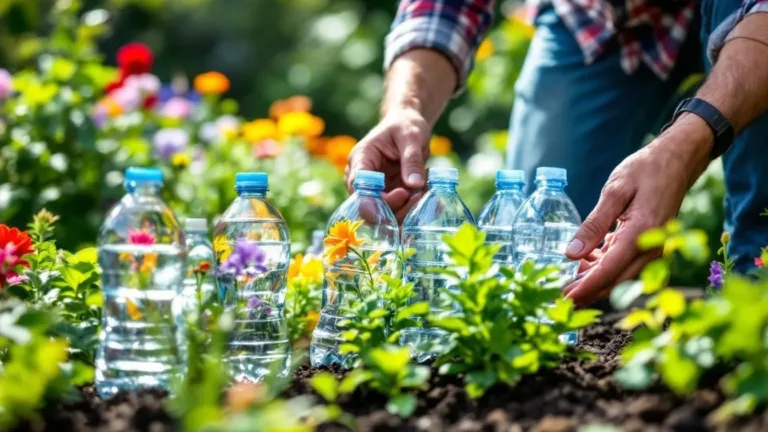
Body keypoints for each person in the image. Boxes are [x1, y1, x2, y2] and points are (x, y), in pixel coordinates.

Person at [345, 0, 768, 306]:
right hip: (603, 17)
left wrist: (681, 151)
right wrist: (406, 107)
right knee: (547, 259)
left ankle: (754, 307)